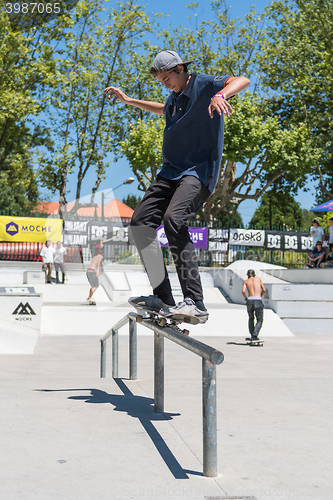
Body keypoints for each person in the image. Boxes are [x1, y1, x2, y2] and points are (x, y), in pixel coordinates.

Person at [104, 50, 250, 323]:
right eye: (160, 81)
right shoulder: (173, 100)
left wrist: (221, 95)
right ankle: (163, 298)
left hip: (196, 173)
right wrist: (129, 100)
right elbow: (162, 108)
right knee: (139, 223)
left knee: (173, 220)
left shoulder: (205, 84)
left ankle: (195, 302)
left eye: (167, 78)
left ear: (181, 69)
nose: (165, 84)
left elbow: (242, 80)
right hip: (169, 173)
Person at [242, 269, 266, 340]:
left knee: (251, 318)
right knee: (260, 319)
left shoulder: (246, 281)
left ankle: (252, 334)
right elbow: (264, 290)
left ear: (247, 275)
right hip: (258, 300)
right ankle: (254, 335)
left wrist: (246, 298)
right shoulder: (258, 279)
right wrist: (260, 296)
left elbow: (243, 291)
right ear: (254, 274)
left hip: (250, 300)